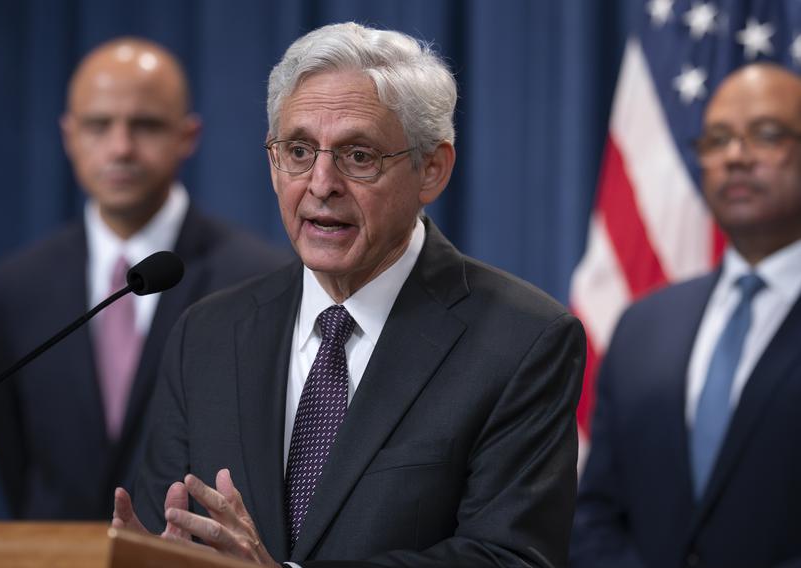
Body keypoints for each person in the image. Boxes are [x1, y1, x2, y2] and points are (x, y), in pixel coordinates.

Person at [111, 22, 586, 567]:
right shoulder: (209, 334)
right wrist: (143, 554)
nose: (320, 183)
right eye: (298, 150)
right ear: (272, 162)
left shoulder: (522, 341)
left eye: (358, 155)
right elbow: (168, 530)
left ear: (431, 169)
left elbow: (508, 558)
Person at [0, 37, 291, 520]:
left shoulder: (261, 277)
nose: (120, 147)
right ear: (69, 135)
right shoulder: (15, 288)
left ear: (188, 136)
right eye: (99, 125)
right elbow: (14, 460)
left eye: (144, 125)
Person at [571, 63, 801, 568]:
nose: (735, 157)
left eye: (765, 135)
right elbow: (597, 514)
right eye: (717, 140)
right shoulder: (644, 326)